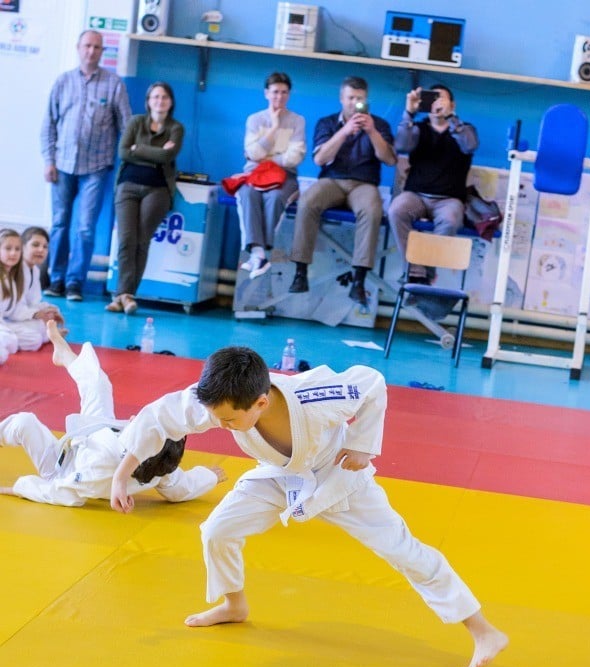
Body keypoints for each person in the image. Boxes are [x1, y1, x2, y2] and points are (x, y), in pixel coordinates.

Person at [110, 346, 508, 667]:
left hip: (338, 476)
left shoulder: (315, 399)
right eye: (217, 417)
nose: (219, 424)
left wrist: (363, 443)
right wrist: (121, 476)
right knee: (217, 530)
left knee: (402, 551)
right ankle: (234, 604)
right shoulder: (218, 400)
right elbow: (158, 417)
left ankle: (483, 630)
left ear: (261, 402)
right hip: (280, 474)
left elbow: (371, 382)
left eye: (229, 419)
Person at [0, 321, 227, 507]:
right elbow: (181, 488)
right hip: (97, 433)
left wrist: (17, 488)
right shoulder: (161, 468)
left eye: (139, 424)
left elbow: (63, 492)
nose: (135, 419)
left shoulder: (99, 464)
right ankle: (65, 356)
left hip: (62, 467)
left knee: (24, 422)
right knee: (99, 385)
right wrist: (210, 477)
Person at [288, 76, 396, 309]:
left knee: (372, 209)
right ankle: (300, 271)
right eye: (350, 98)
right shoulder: (326, 123)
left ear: (366, 100)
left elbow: (388, 159)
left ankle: (359, 280)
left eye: (360, 99)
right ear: (341, 99)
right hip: (332, 180)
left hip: (364, 184)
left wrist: (372, 132)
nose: (354, 103)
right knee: (307, 202)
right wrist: (345, 131)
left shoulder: (381, 125)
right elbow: (320, 159)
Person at [40, 29, 131, 302]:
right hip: (62, 165)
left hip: (96, 167)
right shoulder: (63, 82)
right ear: (78, 48)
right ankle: (56, 280)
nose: (91, 51)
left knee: (85, 227)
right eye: (87, 46)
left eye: (97, 47)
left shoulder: (114, 84)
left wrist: (121, 162)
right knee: (59, 224)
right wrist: (49, 160)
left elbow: (126, 127)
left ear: (103, 51)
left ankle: (75, 283)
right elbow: (48, 125)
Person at [388, 84, 478, 284]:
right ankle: (416, 273)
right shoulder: (417, 129)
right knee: (396, 211)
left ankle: (426, 273)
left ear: (452, 104)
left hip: (449, 199)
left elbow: (469, 145)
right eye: (432, 99)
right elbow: (402, 146)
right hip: (416, 195)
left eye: (442, 99)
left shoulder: (464, 129)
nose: (437, 103)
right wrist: (408, 114)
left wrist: (451, 118)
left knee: (450, 221)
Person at [107, 81, 184, 315]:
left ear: (170, 102)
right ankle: (125, 295)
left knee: (142, 241)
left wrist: (137, 149)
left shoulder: (176, 128)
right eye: (155, 97)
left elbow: (168, 156)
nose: (159, 101)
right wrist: (156, 153)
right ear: (148, 101)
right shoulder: (135, 122)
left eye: (164, 97)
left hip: (157, 190)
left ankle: (125, 295)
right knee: (126, 240)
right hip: (127, 186)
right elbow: (122, 152)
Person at [236, 71, 306, 281]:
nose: (279, 97)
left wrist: (265, 157)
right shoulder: (255, 120)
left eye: (284, 93)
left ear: (289, 95)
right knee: (247, 193)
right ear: (266, 93)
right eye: (275, 92)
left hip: (285, 177)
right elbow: (253, 154)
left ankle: (259, 253)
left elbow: (295, 157)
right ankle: (259, 254)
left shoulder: (297, 121)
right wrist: (274, 128)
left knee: (274, 197)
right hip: (254, 174)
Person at [0, 228, 59, 353]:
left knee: (40, 331)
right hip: (5, 323)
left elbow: (18, 307)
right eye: (35, 245)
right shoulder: (13, 273)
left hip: (9, 320)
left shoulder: (14, 274)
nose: (13, 253)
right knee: (14, 342)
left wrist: (41, 312)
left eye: (45, 247)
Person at [21, 227, 66, 331]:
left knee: (48, 321)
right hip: (7, 317)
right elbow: (12, 309)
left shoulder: (35, 271)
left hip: (20, 315)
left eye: (45, 247)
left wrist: (50, 310)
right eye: (35, 245)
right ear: (22, 246)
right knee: (35, 337)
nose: (41, 250)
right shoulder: (16, 271)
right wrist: (36, 313)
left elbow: (32, 302)